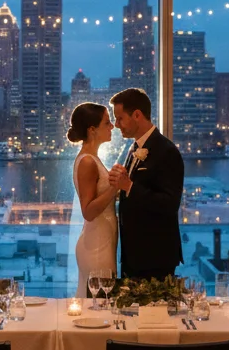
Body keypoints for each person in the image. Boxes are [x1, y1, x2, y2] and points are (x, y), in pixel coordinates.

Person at [107, 87, 184, 281]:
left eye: (120, 118)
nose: (117, 125)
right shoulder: (134, 148)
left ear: (137, 115)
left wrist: (129, 186)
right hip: (133, 256)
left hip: (155, 257)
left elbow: (170, 203)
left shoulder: (166, 151)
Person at [68, 102, 119, 298]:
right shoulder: (88, 161)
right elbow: (88, 211)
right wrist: (115, 187)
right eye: (107, 123)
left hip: (102, 238)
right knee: (99, 304)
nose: (112, 126)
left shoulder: (92, 158)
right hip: (97, 244)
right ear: (92, 130)